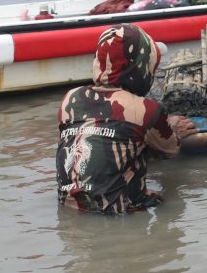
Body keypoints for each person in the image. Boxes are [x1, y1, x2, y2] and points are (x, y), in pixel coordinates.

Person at [56, 24, 198, 214]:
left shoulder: (70, 100)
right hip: (118, 215)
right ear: (141, 66)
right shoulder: (147, 110)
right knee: (174, 205)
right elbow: (170, 150)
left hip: (68, 210)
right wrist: (171, 128)